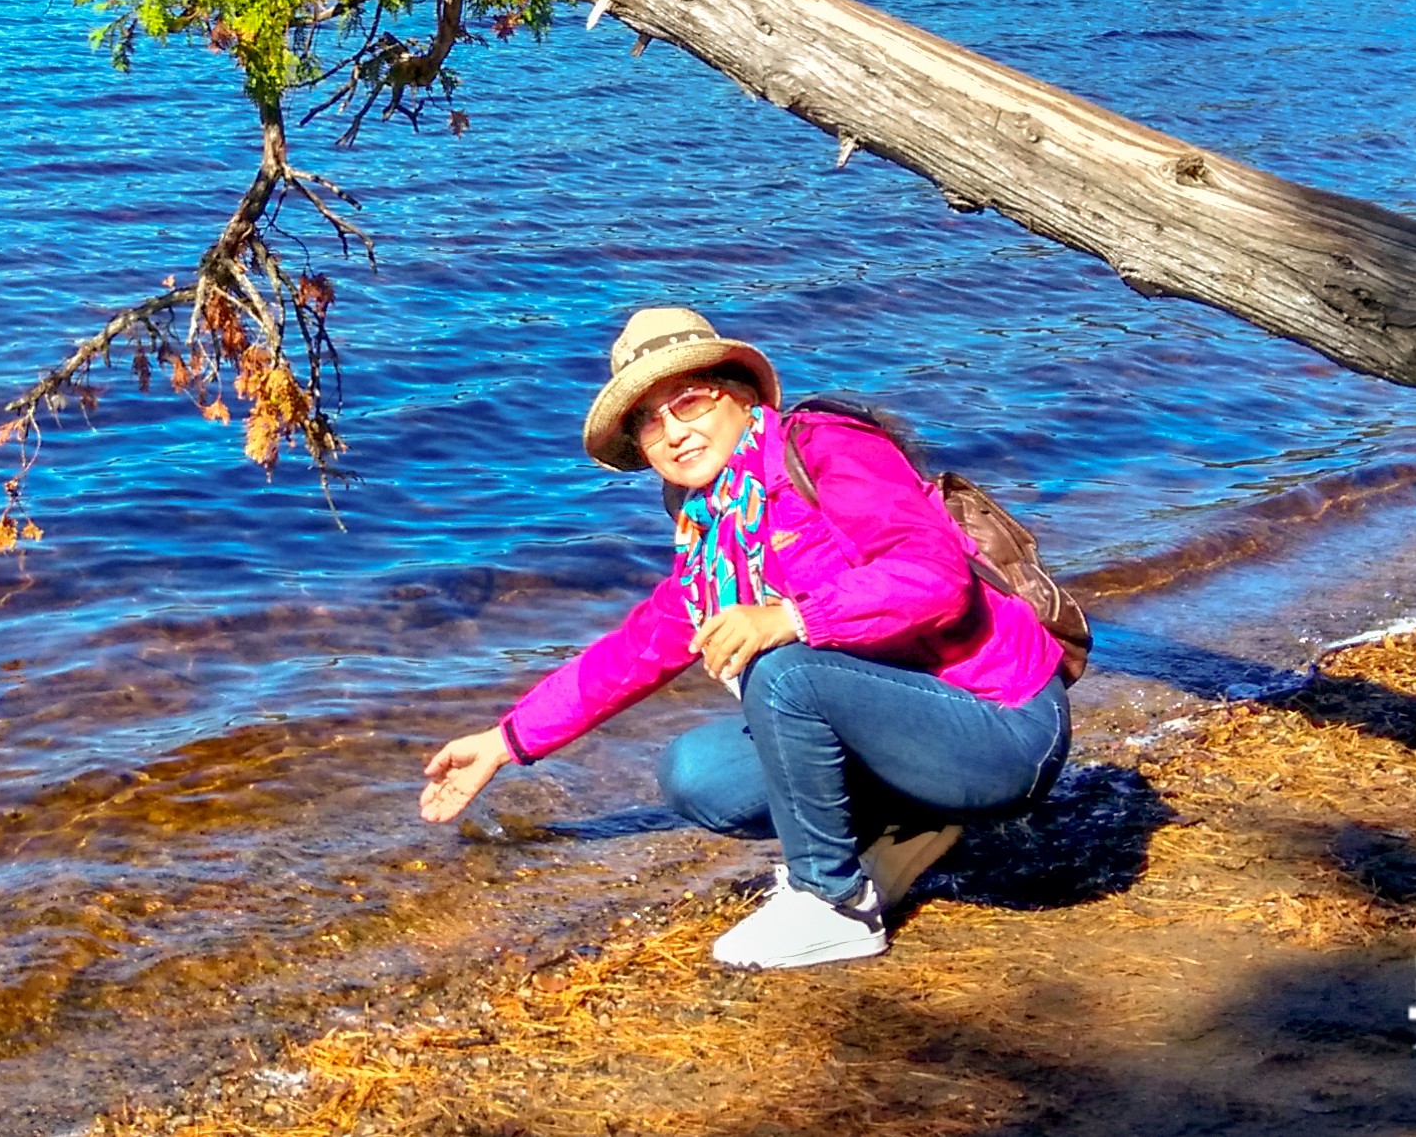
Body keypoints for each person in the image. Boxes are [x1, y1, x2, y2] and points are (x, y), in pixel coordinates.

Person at [416, 306, 1072, 969]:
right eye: (649, 419)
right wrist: (504, 741)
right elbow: (636, 650)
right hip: (909, 734)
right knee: (696, 774)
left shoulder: (826, 447)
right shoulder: (713, 529)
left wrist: (792, 616)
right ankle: (912, 827)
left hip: (1001, 725)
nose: (672, 431)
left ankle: (832, 902)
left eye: (688, 401)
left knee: (783, 668)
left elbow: (932, 578)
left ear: (740, 392)